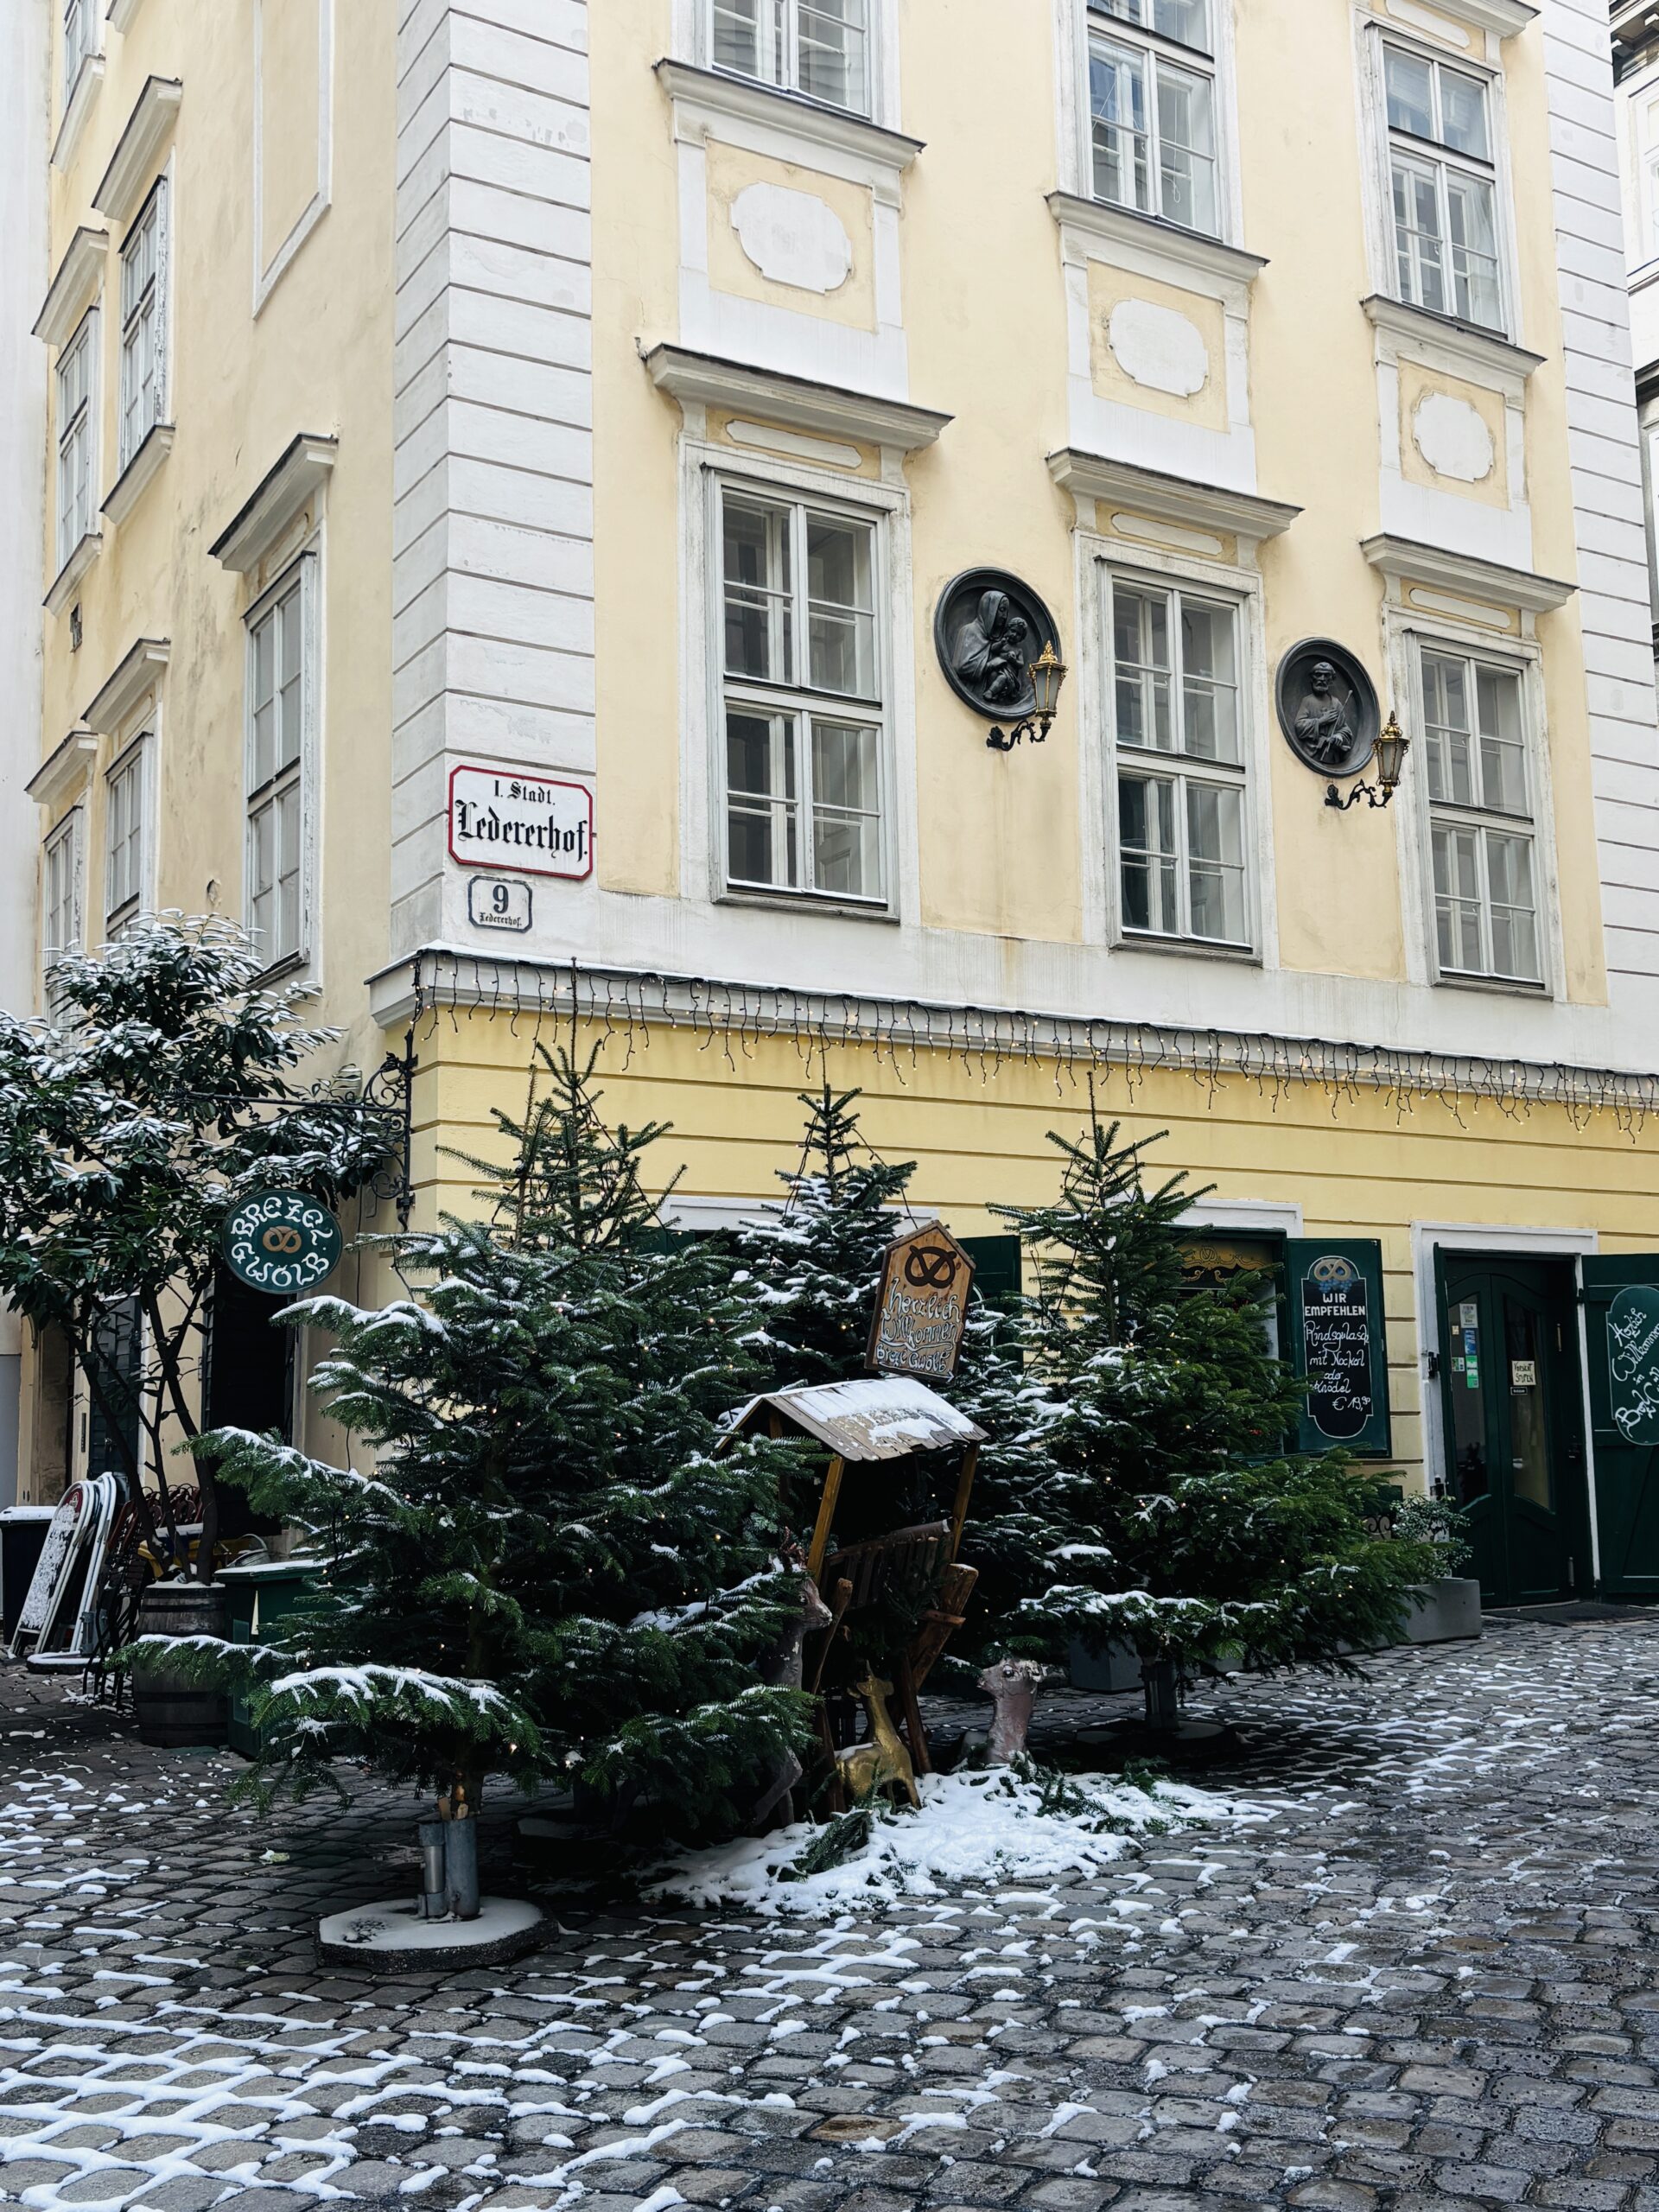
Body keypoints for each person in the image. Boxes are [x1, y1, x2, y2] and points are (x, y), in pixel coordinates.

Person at [1294, 659, 1357, 768]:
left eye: (1327, 676)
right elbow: (1299, 726)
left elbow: (1345, 730)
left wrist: (1339, 736)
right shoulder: (1307, 701)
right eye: (1318, 675)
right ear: (1312, 678)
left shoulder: (1336, 703)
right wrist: (1321, 721)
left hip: (1331, 755)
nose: (1322, 679)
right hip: (1312, 753)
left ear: (1331, 680)